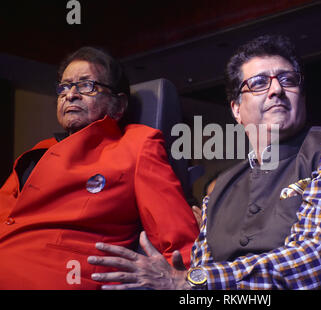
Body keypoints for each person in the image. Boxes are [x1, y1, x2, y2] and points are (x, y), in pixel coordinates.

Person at [87, 35, 321, 290]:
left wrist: (194, 282)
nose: (276, 90)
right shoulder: (220, 189)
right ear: (236, 109)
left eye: (288, 79)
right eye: (259, 83)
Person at [0, 47, 199, 289]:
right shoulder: (35, 154)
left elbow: (178, 238)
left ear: (118, 105)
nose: (70, 95)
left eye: (86, 86)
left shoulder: (136, 145)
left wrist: (190, 282)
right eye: (64, 87)